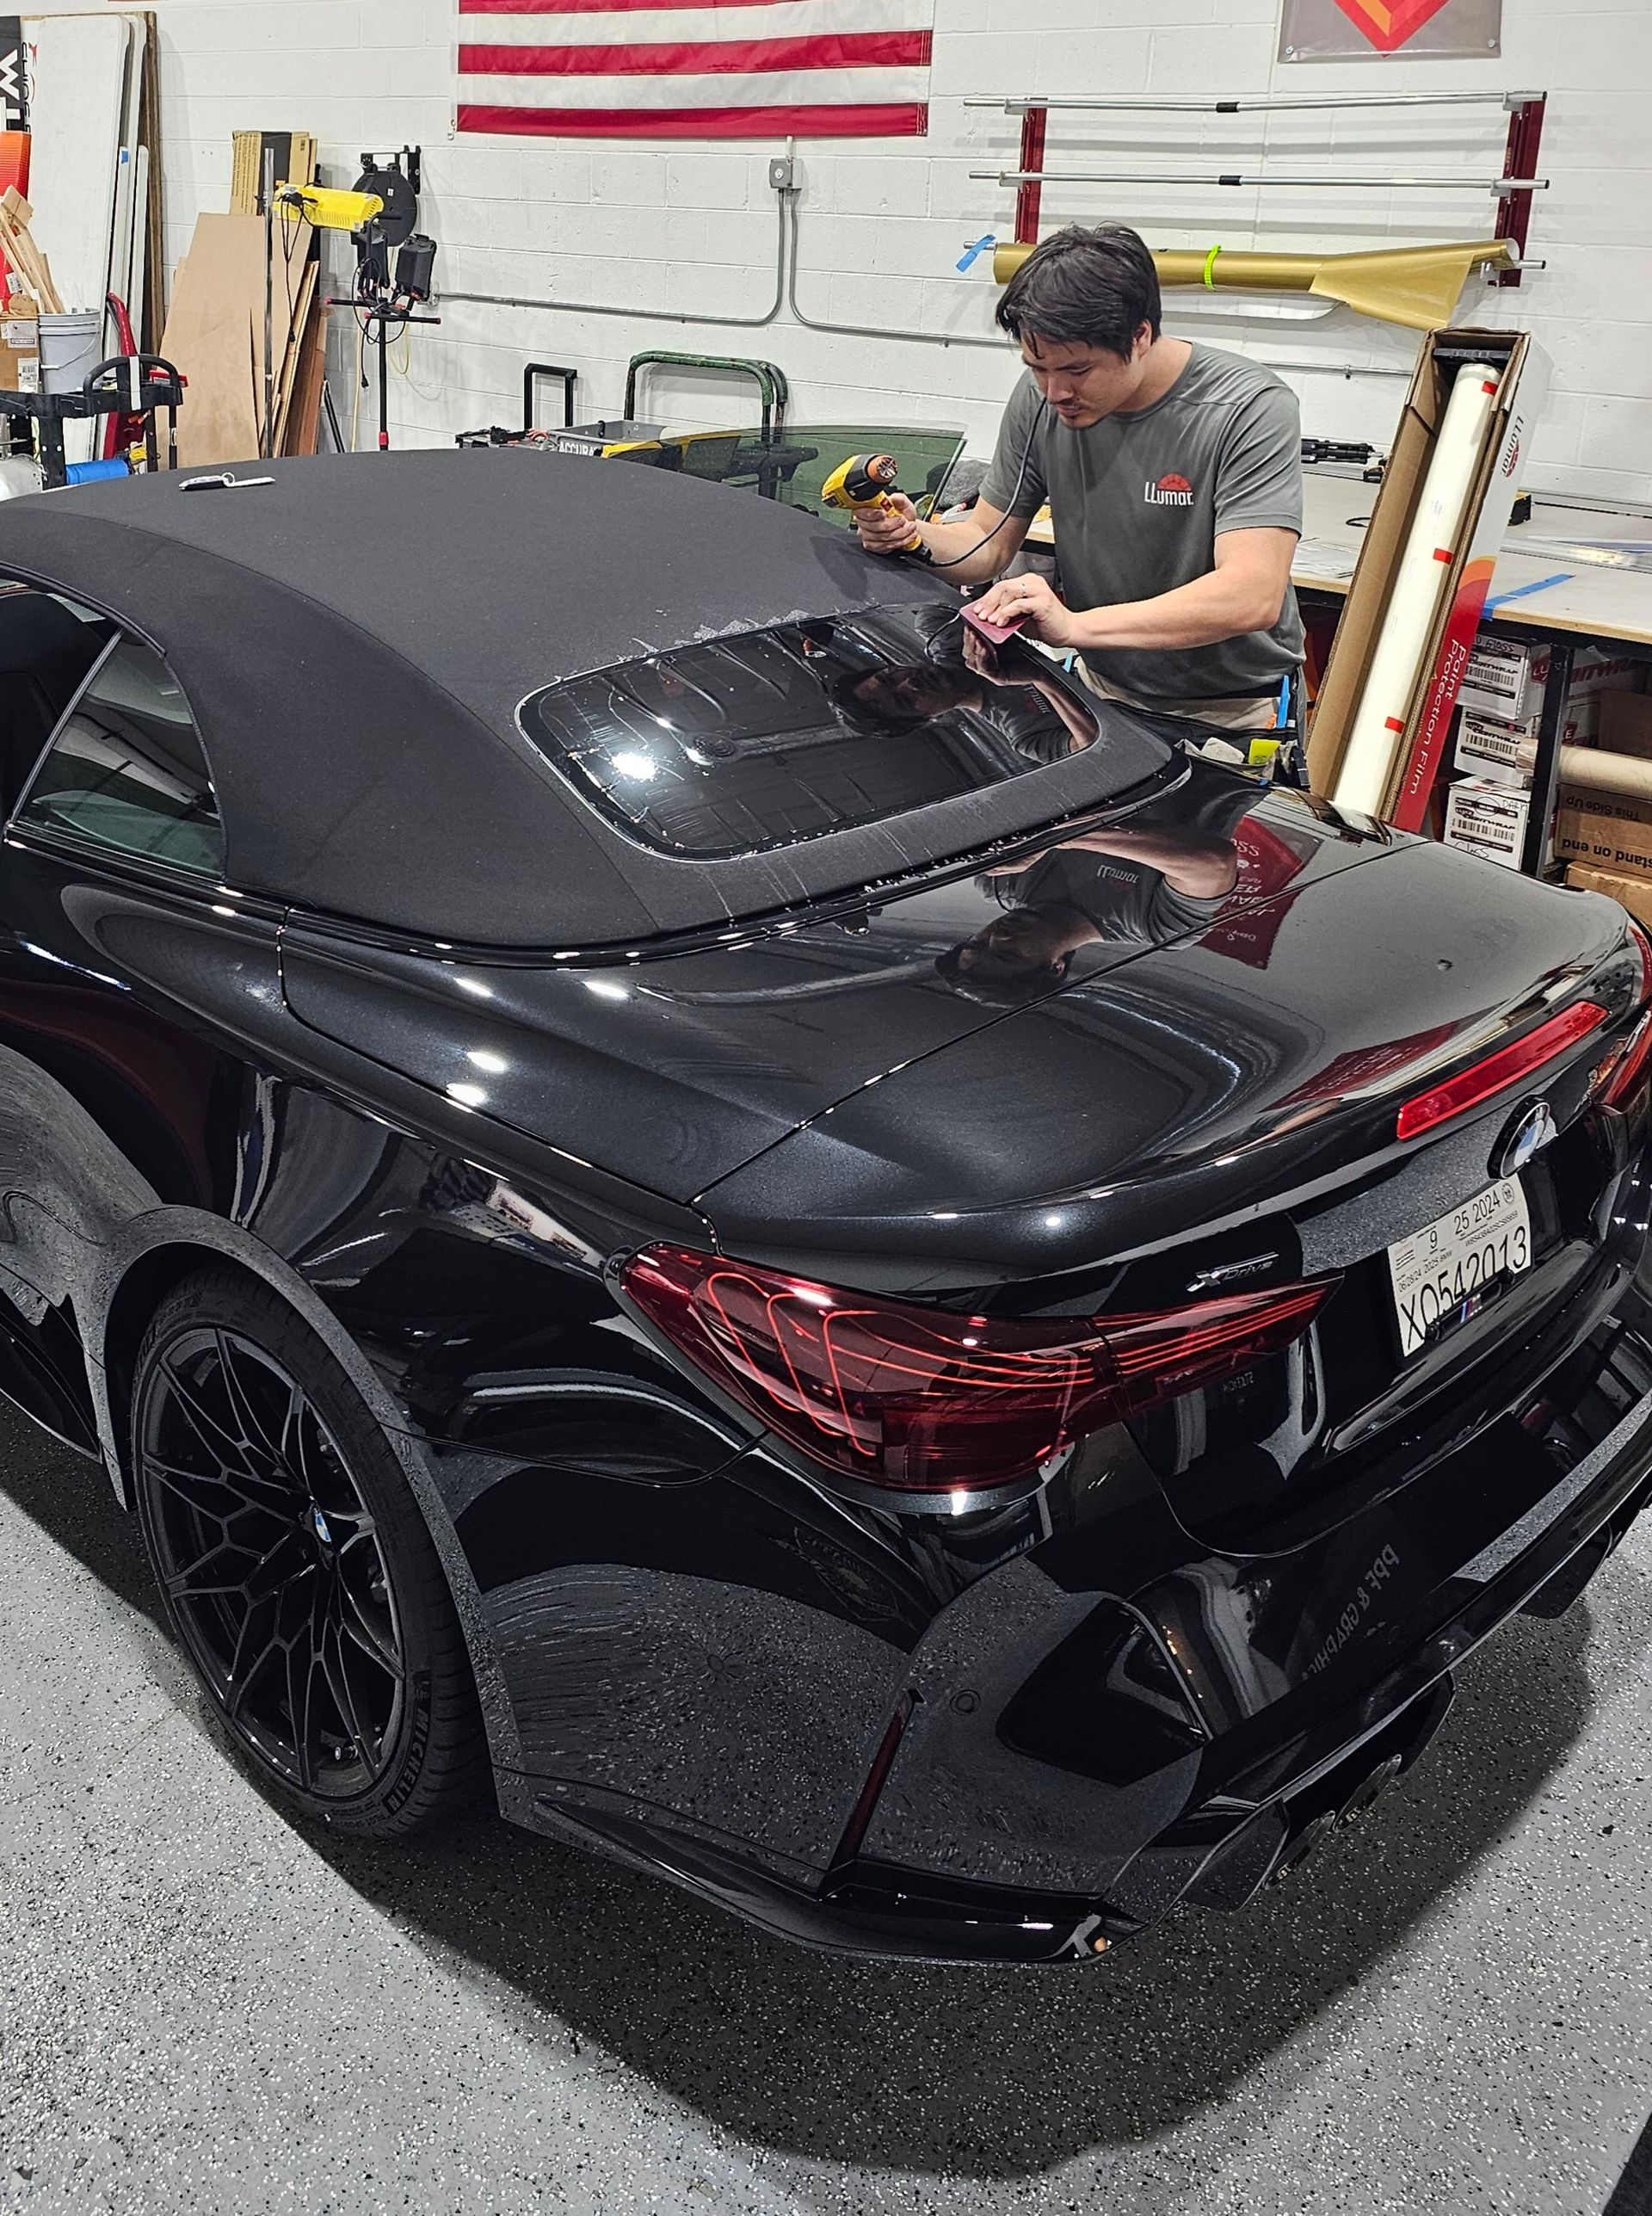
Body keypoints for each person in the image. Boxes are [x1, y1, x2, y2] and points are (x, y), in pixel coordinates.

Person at [851, 223, 1305, 732]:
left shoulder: (1246, 409)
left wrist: (1073, 627)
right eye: (1038, 368)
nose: (1054, 391)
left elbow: (1251, 595)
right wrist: (911, 538)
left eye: (1077, 370)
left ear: (1140, 336)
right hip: (1102, 692)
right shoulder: (1040, 398)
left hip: (1231, 710)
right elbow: (985, 542)